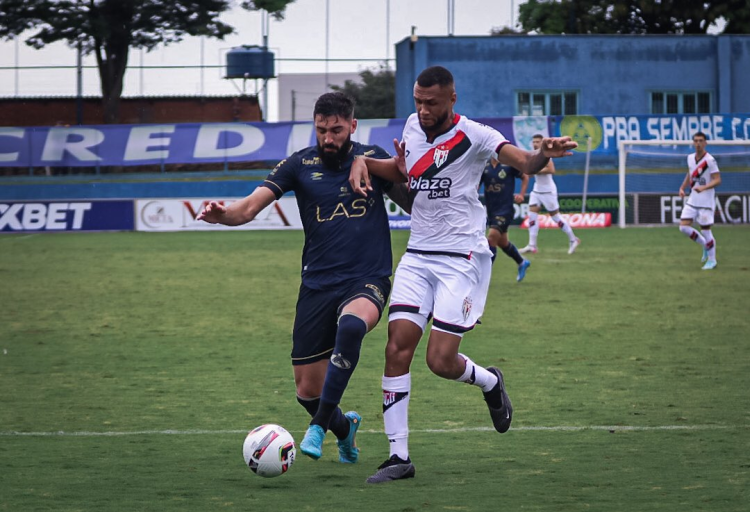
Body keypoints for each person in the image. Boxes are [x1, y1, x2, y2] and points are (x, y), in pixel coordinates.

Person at [349, 66, 577, 483]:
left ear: (452, 99)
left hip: (461, 259)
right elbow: (406, 175)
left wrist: (545, 152)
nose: (422, 109)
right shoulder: (413, 128)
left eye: (431, 102)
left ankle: (490, 382)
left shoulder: (477, 135)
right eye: (418, 101)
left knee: (439, 361)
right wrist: (364, 161)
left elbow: (525, 160)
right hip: (418, 255)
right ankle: (398, 456)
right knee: (396, 347)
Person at [197, 91, 410, 464]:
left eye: (337, 130)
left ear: (353, 126)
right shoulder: (298, 165)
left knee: (352, 326)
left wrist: (406, 176)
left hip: (367, 278)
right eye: (322, 130)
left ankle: (317, 428)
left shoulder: (373, 159)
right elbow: (248, 208)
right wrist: (222, 214)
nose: (329, 138)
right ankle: (344, 429)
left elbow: (413, 204)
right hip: (316, 285)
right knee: (306, 391)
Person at [519, 134, 581, 255]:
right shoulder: (533, 155)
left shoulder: (546, 155)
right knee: (532, 216)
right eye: (534, 142)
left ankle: (573, 239)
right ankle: (532, 245)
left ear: (542, 143)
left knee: (555, 217)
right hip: (537, 190)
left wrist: (535, 169)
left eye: (537, 142)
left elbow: (551, 170)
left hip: (548, 191)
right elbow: (530, 173)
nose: (535, 144)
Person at [480, 157, 531, 282]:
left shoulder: (509, 164)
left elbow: (525, 176)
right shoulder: (484, 166)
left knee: (491, 238)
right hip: (491, 210)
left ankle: (483, 277)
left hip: (505, 209)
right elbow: (476, 185)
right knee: (502, 242)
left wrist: (521, 195)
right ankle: (522, 262)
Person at [678, 131, 721, 270]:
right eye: (696, 141)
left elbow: (718, 180)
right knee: (683, 227)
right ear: (693, 143)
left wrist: (704, 187)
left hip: (706, 201)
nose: (698, 143)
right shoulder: (690, 158)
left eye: (701, 140)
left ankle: (712, 260)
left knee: (705, 230)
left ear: (705, 143)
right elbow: (691, 173)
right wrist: (682, 187)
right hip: (693, 199)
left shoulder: (710, 160)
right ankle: (704, 245)